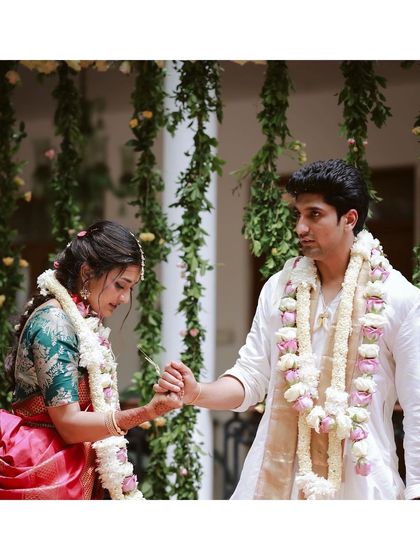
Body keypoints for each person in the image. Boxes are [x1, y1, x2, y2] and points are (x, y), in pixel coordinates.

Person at [156, 159, 420, 500]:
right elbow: (252, 376)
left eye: (314, 214)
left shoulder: (397, 298)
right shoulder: (280, 289)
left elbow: (416, 405)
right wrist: (196, 393)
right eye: (297, 214)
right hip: (276, 482)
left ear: (349, 218)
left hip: (361, 485)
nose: (300, 227)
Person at [0, 220, 182, 500]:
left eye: (131, 288)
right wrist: (148, 412)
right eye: (120, 285)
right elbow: (70, 425)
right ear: (87, 272)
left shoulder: (81, 318)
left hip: (70, 460)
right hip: (44, 465)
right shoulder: (55, 323)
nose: (124, 298)